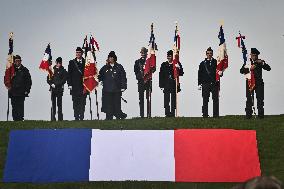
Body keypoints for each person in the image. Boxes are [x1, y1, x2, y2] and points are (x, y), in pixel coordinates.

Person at [240, 48, 271, 119]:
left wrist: (262, 63)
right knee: (249, 99)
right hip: (249, 82)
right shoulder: (247, 62)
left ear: (257, 56)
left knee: (260, 99)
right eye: (252, 55)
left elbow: (269, 68)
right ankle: (248, 116)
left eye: (255, 55)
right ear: (250, 55)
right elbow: (241, 71)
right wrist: (250, 68)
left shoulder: (260, 62)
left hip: (259, 83)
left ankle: (261, 116)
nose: (254, 57)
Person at [99, 51, 127, 120]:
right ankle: (109, 118)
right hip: (107, 90)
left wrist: (123, 86)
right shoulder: (104, 68)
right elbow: (100, 76)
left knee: (117, 104)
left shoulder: (119, 67)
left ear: (114, 58)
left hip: (117, 89)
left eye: (112, 57)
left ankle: (118, 117)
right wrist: (100, 80)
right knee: (108, 105)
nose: (110, 59)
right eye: (109, 57)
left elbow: (123, 77)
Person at [159, 50, 184, 117]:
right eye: (168, 56)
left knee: (173, 100)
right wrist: (161, 85)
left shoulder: (176, 63)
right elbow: (161, 75)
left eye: (170, 56)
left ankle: (173, 113)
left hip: (173, 84)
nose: (169, 57)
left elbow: (181, 73)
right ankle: (167, 113)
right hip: (166, 84)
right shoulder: (163, 64)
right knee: (166, 100)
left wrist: (179, 67)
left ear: (173, 56)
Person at [8, 55, 32, 121]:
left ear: (21, 61)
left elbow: (29, 81)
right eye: (16, 61)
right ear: (14, 62)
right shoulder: (11, 70)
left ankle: (20, 120)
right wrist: (8, 86)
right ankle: (15, 120)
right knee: (14, 107)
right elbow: (7, 79)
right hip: (13, 92)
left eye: (19, 61)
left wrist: (27, 90)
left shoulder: (25, 70)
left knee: (20, 106)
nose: (18, 62)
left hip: (21, 92)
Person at [198, 47, 219, 118]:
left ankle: (215, 115)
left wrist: (221, 73)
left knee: (215, 100)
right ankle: (205, 115)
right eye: (208, 53)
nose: (209, 54)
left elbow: (218, 72)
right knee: (205, 100)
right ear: (206, 54)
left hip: (214, 83)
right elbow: (199, 74)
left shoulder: (216, 62)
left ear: (212, 54)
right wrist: (199, 84)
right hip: (205, 83)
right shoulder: (202, 63)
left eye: (210, 53)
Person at [67, 47, 86, 121]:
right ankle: (76, 117)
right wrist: (69, 84)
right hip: (74, 86)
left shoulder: (86, 62)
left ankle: (81, 117)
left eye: (79, 52)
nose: (78, 54)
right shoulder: (71, 62)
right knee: (75, 103)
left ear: (82, 53)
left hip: (83, 86)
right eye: (77, 52)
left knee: (82, 103)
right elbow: (69, 74)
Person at [134, 47, 154, 118]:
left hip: (148, 81)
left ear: (146, 53)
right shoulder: (137, 62)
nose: (143, 54)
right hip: (140, 82)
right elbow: (136, 72)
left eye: (144, 52)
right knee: (141, 99)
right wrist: (141, 77)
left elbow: (153, 69)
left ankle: (149, 115)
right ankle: (142, 115)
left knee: (148, 98)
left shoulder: (149, 61)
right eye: (141, 53)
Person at [47, 57, 68, 121]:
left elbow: (64, 80)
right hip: (53, 90)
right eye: (57, 63)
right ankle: (53, 118)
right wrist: (51, 84)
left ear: (61, 63)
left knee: (59, 104)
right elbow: (48, 79)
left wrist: (56, 84)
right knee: (53, 104)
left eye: (60, 63)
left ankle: (60, 119)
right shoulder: (52, 70)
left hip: (59, 89)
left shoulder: (63, 71)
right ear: (55, 62)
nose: (58, 64)